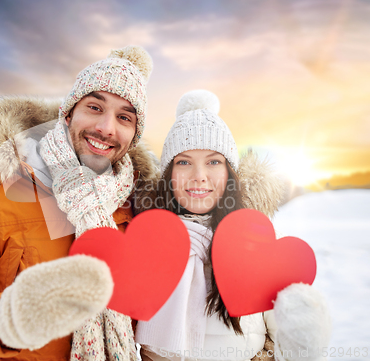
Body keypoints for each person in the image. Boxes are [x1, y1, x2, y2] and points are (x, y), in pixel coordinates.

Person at [0, 46, 157, 361]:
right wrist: (9, 319)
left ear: (133, 135)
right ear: (68, 113)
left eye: (124, 117)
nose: (107, 127)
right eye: (94, 107)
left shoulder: (140, 206)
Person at [134, 90, 331, 361]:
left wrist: (301, 338)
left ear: (230, 173)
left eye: (213, 161)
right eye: (184, 162)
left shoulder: (262, 245)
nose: (199, 176)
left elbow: (283, 348)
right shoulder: (146, 243)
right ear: (169, 175)